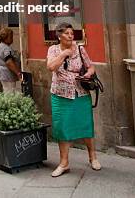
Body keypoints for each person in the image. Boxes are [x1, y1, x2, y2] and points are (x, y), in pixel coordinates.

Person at [47, 22, 101, 177]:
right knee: (62, 127)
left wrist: (88, 74)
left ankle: (93, 157)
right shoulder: (53, 50)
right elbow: (51, 67)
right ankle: (64, 163)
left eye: (72, 33)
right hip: (60, 94)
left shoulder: (80, 49)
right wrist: (64, 54)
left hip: (80, 93)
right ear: (59, 36)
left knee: (86, 125)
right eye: (67, 33)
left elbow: (91, 67)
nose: (71, 36)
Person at [0, 27, 22, 93]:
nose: (12, 38)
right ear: (6, 38)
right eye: (11, 36)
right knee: (10, 92)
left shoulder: (1, 46)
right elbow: (9, 62)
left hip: (2, 74)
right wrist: (18, 73)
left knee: (7, 91)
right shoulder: (6, 49)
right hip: (7, 75)